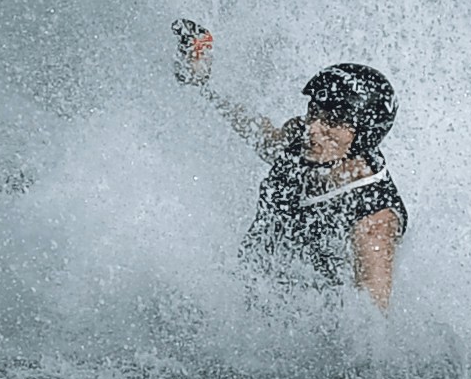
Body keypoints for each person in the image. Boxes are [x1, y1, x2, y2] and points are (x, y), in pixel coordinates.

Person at [173, 21, 406, 309]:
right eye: (313, 113)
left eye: (332, 122)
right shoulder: (306, 139)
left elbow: (371, 321)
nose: (313, 129)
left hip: (300, 316)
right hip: (250, 289)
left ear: (365, 135)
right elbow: (265, 139)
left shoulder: (373, 223)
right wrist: (206, 87)